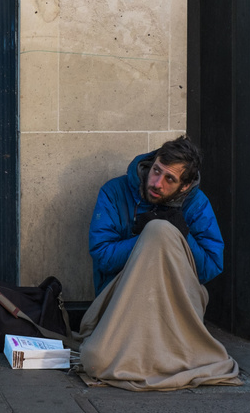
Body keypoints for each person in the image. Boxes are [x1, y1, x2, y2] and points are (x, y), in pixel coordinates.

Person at [78, 135, 241, 391]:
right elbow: (103, 255)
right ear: (152, 162)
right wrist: (143, 237)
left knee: (162, 231)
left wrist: (181, 232)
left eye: (170, 179)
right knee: (96, 360)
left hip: (173, 304)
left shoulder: (197, 204)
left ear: (185, 186)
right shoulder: (114, 191)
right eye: (156, 171)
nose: (156, 183)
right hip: (122, 302)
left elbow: (211, 266)